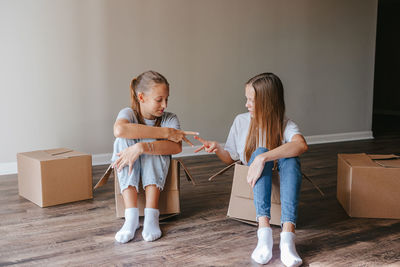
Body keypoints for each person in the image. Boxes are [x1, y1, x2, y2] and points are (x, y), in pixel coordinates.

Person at [194, 72, 308, 266]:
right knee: (260, 151)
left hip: (277, 173)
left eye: (251, 100)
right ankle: (264, 235)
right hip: (256, 185)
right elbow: (231, 158)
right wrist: (218, 149)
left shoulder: (285, 124)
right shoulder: (241, 121)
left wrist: (263, 158)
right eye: (246, 99)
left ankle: (288, 237)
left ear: (268, 102)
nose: (246, 104)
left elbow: (301, 145)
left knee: (289, 158)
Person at [112, 70, 198, 243]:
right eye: (159, 100)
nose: (164, 104)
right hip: (132, 163)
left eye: (167, 99)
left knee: (155, 146)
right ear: (141, 97)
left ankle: (152, 215)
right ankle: (132, 216)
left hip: (155, 160)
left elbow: (176, 147)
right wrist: (166, 132)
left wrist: (142, 147)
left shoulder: (170, 118)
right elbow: (119, 130)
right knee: (121, 141)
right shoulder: (129, 113)